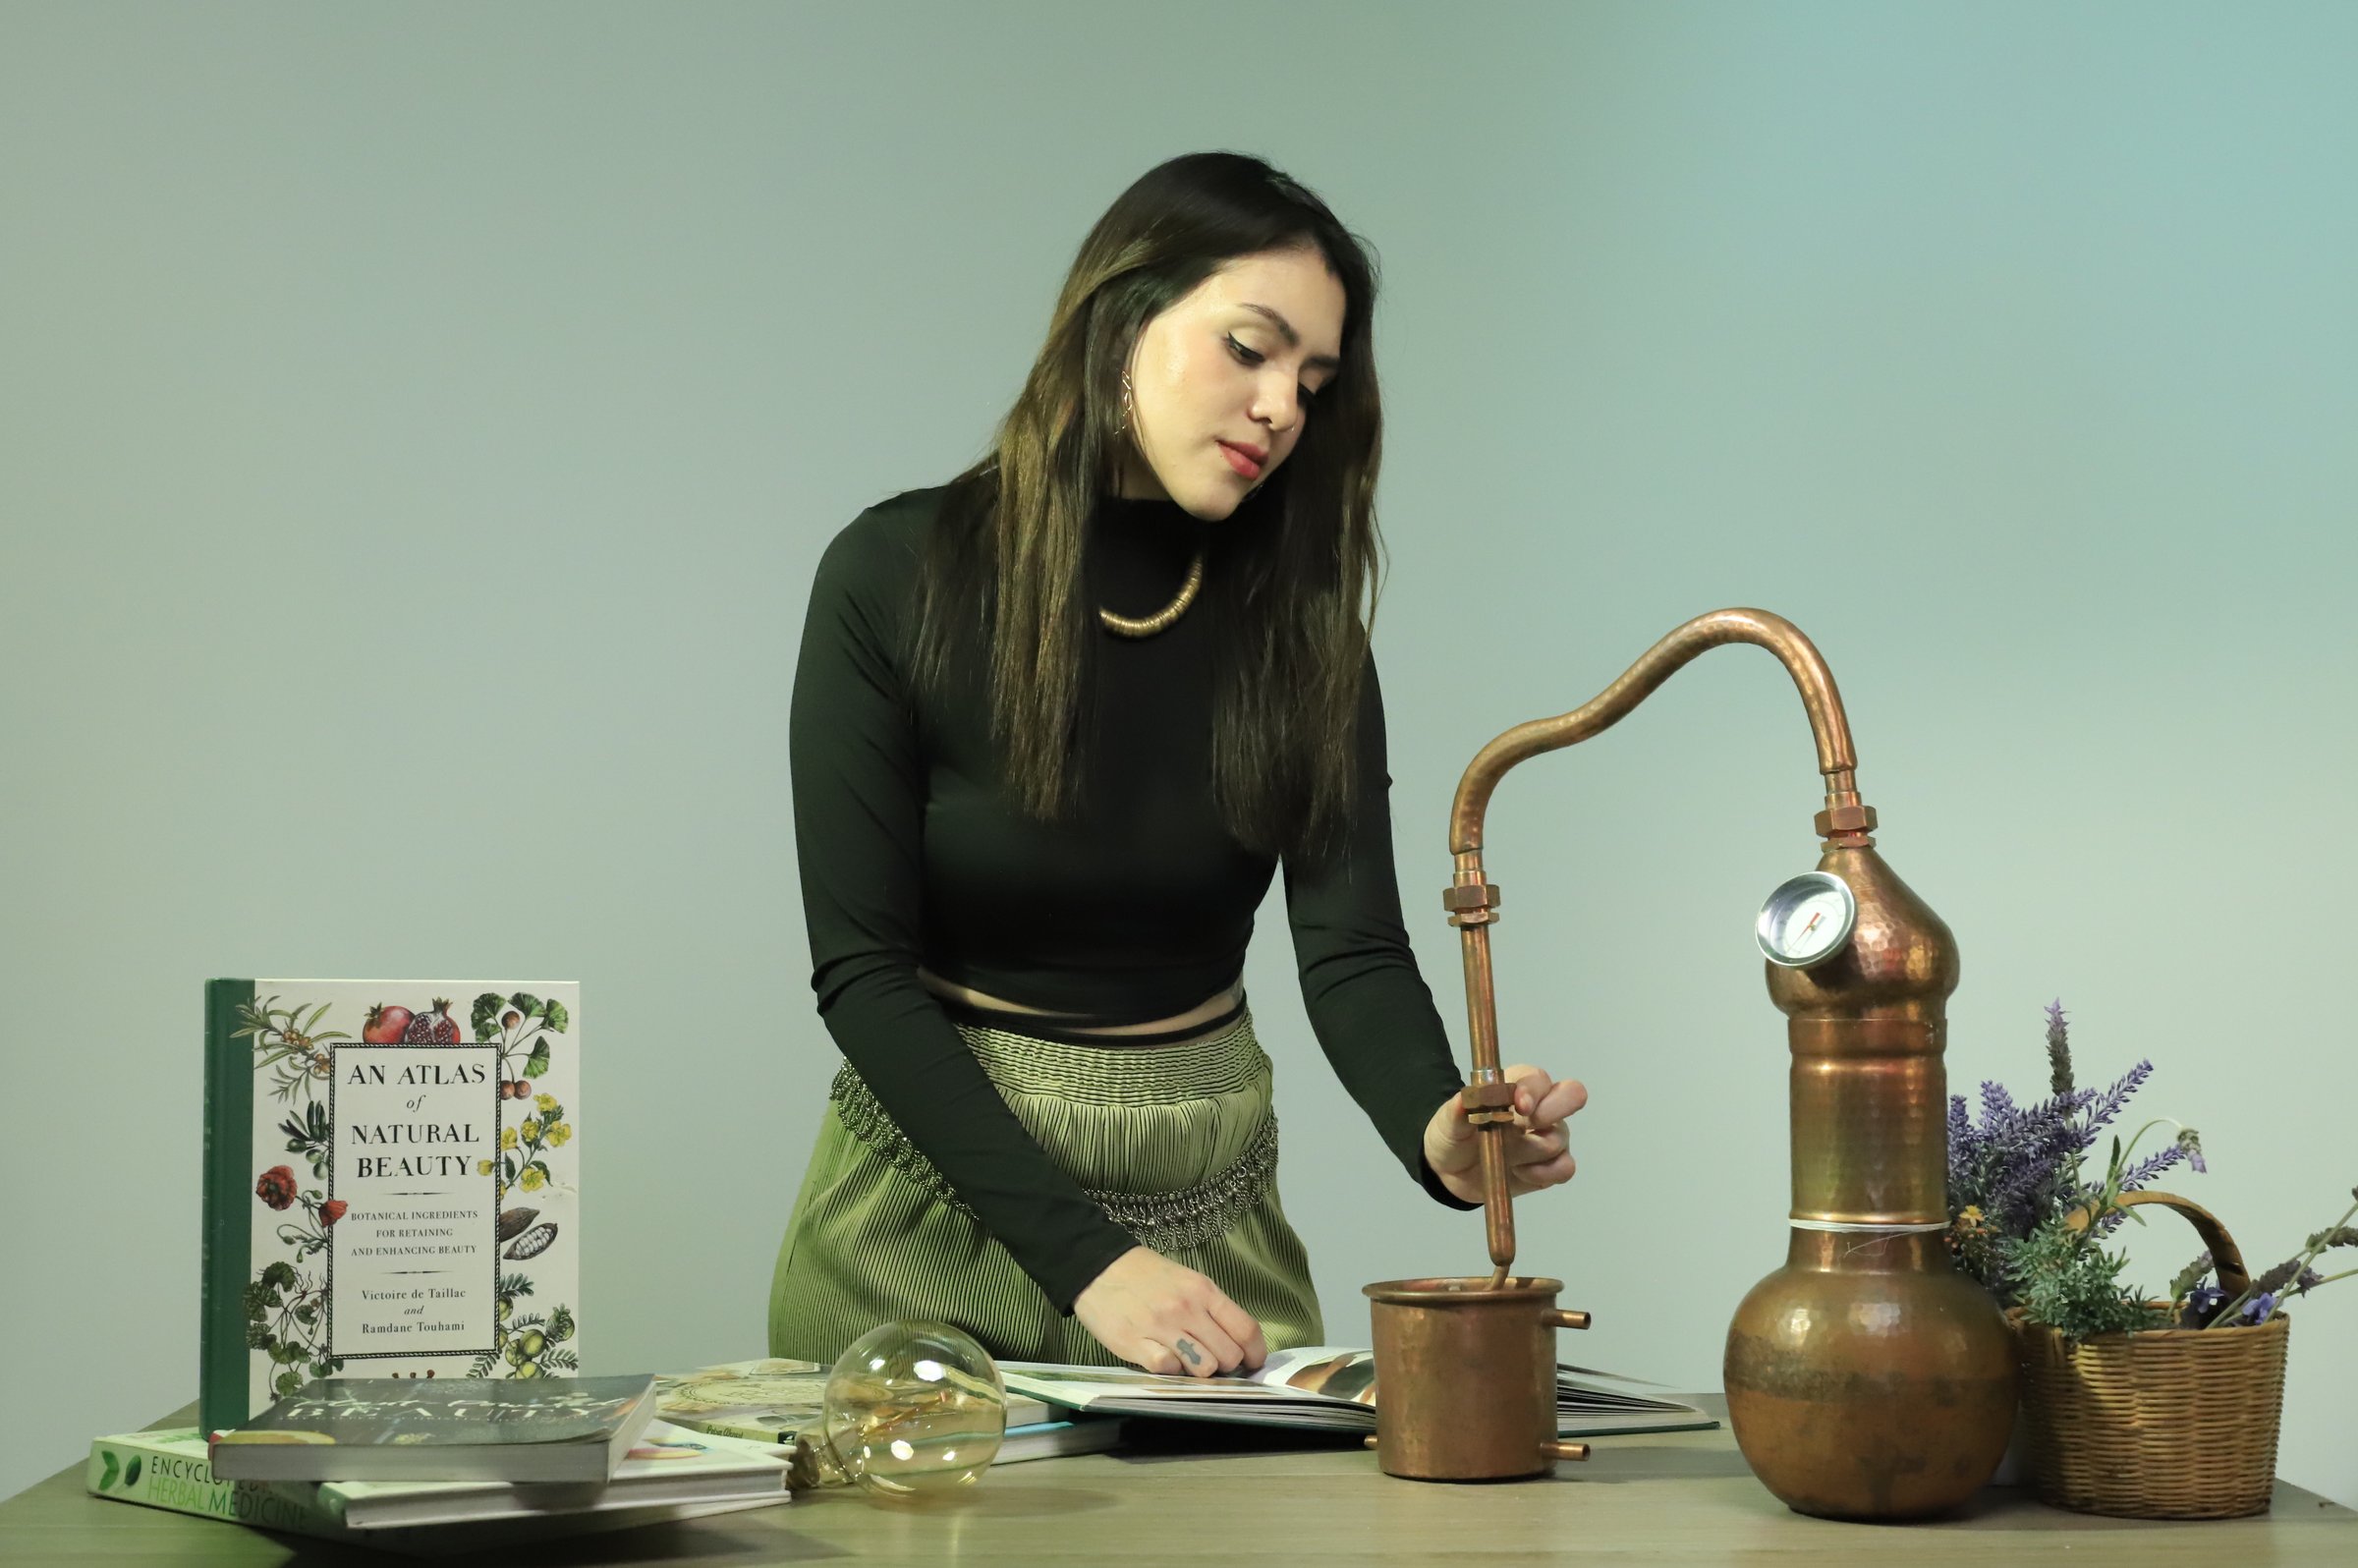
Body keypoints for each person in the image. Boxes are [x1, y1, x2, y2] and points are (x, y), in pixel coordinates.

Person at [769, 151, 1585, 1380]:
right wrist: (1096, 1270)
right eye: (1249, 350)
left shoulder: (1305, 632)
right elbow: (862, 975)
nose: (1281, 408)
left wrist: (1442, 1133)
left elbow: (1352, 951)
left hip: (1210, 1224)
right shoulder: (894, 576)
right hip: (923, 1228)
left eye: (1312, 380)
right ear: (1121, 322)